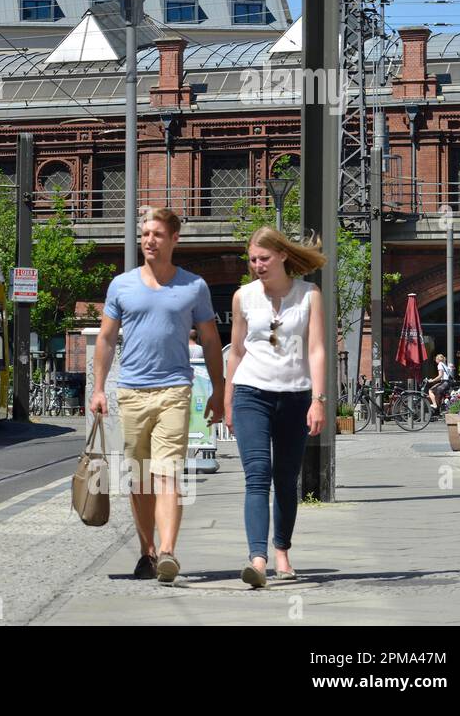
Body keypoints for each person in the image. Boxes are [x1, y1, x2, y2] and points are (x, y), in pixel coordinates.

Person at [90, 208, 224, 584]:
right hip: (131, 392)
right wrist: (99, 388)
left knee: (167, 474)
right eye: (145, 233)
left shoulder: (193, 286)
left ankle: (168, 552)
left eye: (157, 234)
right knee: (139, 479)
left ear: (174, 239)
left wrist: (219, 389)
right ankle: (146, 553)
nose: (149, 240)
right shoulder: (122, 285)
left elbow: (211, 340)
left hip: (174, 391)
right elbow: (105, 339)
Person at [223, 226, 328, 589]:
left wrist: (318, 399)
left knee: (285, 479)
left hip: (296, 396)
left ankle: (281, 550)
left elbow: (316, 349)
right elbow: (235, 352)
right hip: (251, 392)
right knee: (257, 474)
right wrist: (228, 401)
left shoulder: (309, 295)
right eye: (252, 260)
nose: (257, 266)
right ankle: (258, 559)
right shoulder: (242, 298)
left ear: (282, 255)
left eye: (264, 258)